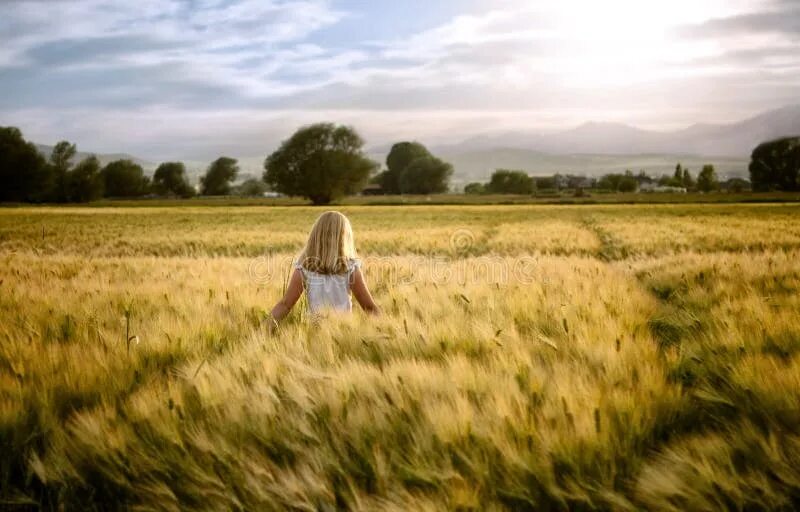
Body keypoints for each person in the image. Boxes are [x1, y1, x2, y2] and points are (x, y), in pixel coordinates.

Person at [268, 211, 379, 330]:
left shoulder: (305, 268)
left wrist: (263, 330)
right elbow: (369, 307)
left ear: (316, 237)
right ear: (344, 238)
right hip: (343, 332)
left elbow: (285, 305)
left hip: (314, 332)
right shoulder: (350, 269)